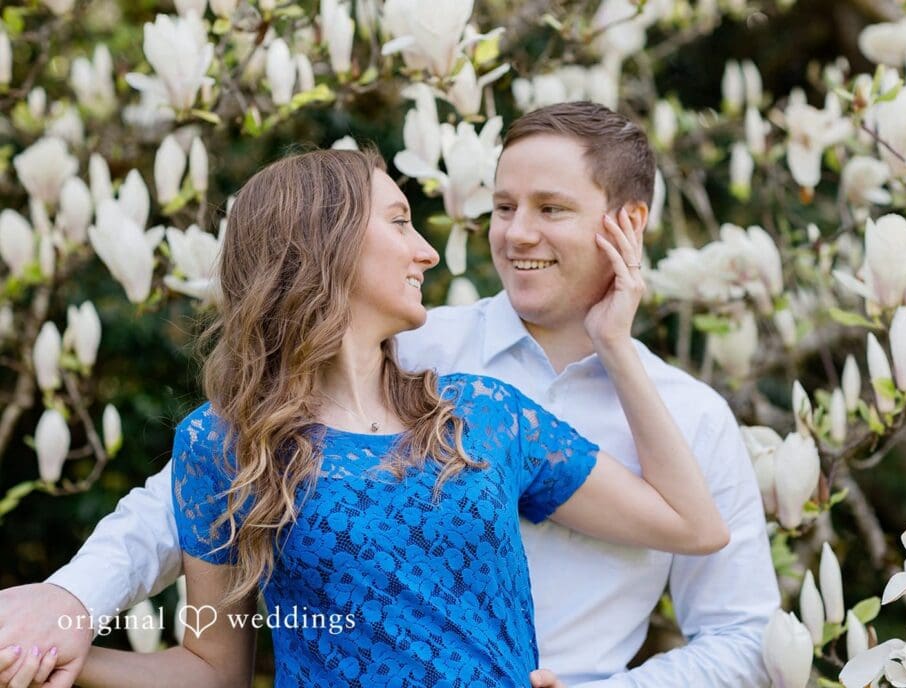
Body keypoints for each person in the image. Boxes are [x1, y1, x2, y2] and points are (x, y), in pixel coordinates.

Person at [0, 102, 779, 687]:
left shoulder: (653, 417)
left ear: (627, 224)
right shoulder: (412, 348)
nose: (512, 235)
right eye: (503, 207)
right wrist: (66, 608)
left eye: (551, 209)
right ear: (328, 248)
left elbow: (738, 629)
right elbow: (180, 516)